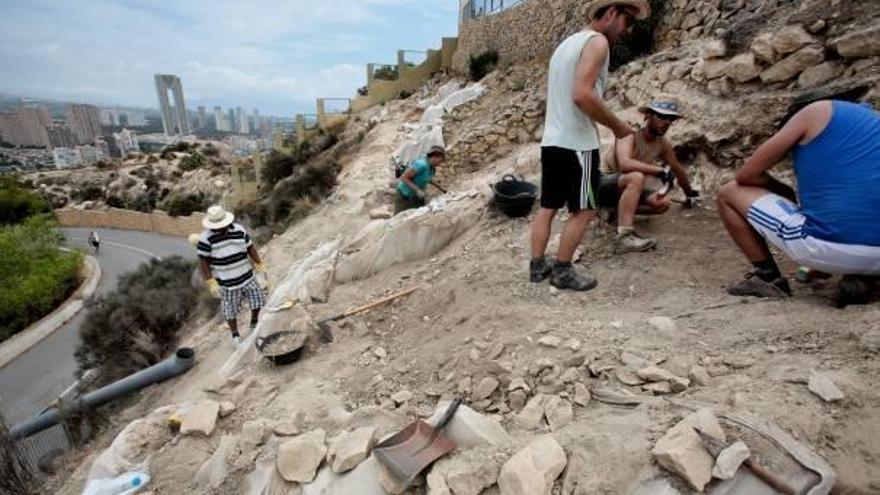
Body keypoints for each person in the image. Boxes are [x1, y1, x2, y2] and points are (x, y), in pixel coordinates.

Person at [530, 0, 650, 291]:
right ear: (611, 13)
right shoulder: (597, 43)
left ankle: (537, 267)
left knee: (547, 207)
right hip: (578, 145)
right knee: (585, 209)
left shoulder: (566, 45)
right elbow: (582, 95)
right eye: (627, 21)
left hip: (553, 141)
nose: (628, 30)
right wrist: (619, 127)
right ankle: (562, 270)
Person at [717, 86, 880, 299]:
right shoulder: (871, 124)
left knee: (729, 192)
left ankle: (768, 279)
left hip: (833, 248)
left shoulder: (816, 111)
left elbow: (746, 176)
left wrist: (785, 191)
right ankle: (862, 279)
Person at [598, 99, 700, 252]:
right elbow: (625, 164)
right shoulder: (629, 133)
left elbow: (677, 169)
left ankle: (616, 211)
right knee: (636, 176)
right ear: (648, 116)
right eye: (661, 116)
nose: (666, 122)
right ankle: (624, 235)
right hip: (602, 183)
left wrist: (689, 193)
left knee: (663, 203)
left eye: (670, 119)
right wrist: (659, 170)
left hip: (626, 188)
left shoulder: (662, 144)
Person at [197, 205, 267, 345]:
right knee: (230, 310)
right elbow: (203, 260)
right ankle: (235, 335)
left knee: (257, 300)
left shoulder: (239, 230)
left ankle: (253, 323)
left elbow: (250, 247)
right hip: (226, 282)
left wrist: (259, 264)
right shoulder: (205, 239)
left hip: (247, 276)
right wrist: (211, 281)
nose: (219, 228)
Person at [396, 146, 446, 213]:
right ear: (435, 157)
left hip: (416, 197)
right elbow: (404, 177)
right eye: (439, 161)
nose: (439, 164)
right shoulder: (421, 164)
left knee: (418, 215)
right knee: (402, 218)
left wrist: (440, 188)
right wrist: (418, 190)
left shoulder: (430, 167)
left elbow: (427, 178)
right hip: (405, 196)